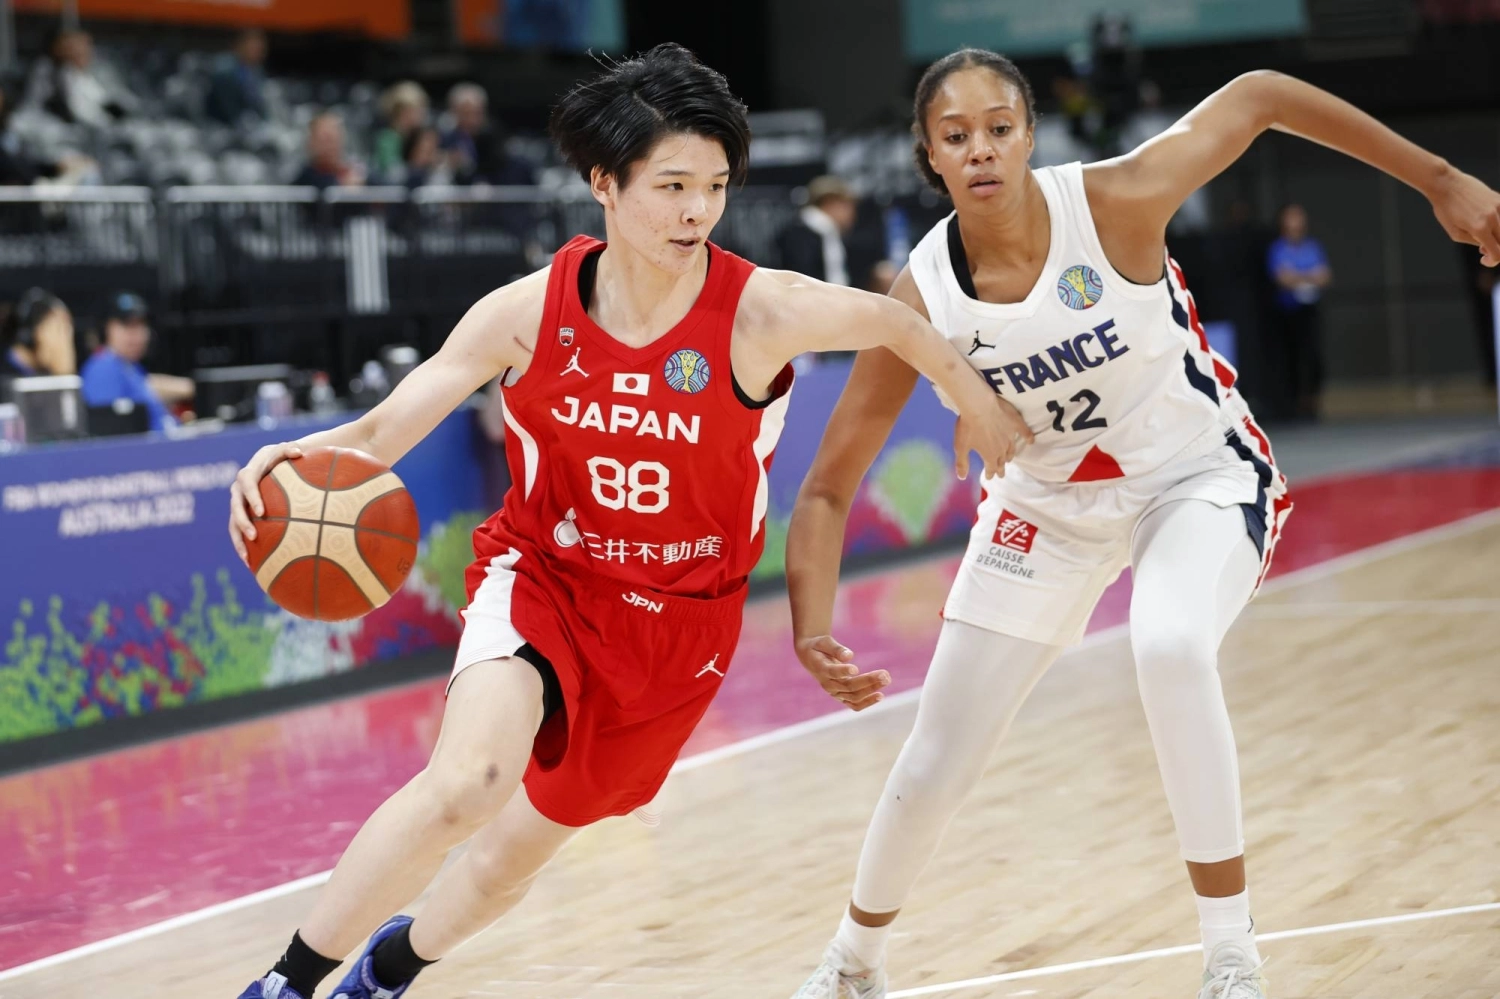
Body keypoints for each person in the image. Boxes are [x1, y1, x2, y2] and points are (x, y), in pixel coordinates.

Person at [228, 43, 1030, 999]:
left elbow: (901, 326)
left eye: (717, 186)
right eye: (673, 184)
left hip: (678, 627)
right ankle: (282, 984)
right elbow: (380, 430)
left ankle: (388, 970)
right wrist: (288, 460)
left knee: (511, 857)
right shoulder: (529, 312)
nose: (697, 211)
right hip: (546, 579)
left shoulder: (758, 310)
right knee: (468, 784)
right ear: (605, 183)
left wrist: (973, 402)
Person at [786, 49, 1500, 999]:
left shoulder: (1112, 201)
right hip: (1046, 504)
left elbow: (1261, 96)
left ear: (1030, 133)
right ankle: (852, 962)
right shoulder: (922, 299)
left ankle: (1229, 954)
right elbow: (828, 484)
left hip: (1193, 473)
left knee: (1167, 646)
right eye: (956, 136)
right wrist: (812, 625)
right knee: (942, 744)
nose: (982, 149)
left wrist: (1441, 179)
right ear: (929, 155)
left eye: (1000, 127)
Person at [79, 291, 192, 432]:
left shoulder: (130, 366)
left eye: (141, 325)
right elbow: (109, 434)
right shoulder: (102, 368)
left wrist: (193, 388)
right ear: (107, 329)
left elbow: (151, 384)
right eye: (128, 326)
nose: (137, 335)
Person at [1266, 204, 1331, 420]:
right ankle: (1293, 404)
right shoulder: (1278, 248)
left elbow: (1324, 276)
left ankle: (1312, 401)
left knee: (1313, 357)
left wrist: (1299, 277)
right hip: (1288, 312)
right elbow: (1282, 277)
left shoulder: (1313, 247)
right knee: (1291, 358)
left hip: (1309, 310)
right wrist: (1307, 277)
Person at [25, 28, 138, 128]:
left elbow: (121, 98)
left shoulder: (99, 70)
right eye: (76, 49)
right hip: (68, 127)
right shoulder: (56, 73)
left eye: (86, 48)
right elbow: (76, 110)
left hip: (107, 122)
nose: (84, 53)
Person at [441, 83, 534, 186]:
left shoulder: (494, 136)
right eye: (466, 113)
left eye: (477, 113)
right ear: (454, 112)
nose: (472, 121)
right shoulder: (443, 139)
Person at [776, 175, 859, 286]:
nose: (852, 214)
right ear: (829, 203)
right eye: (847, 206)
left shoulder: (830, 234)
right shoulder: (799, 236)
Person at [0, 288, 74, 386]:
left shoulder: (39, 375)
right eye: (59, 330)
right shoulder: (7, 383)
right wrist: (63, 377)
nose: (65, 342)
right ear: (33, 334)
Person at [205, 29, 268, 127]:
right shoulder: (225, 70)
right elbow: (229, 110)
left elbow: (258, 104)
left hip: (249, 124)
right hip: (220, 126)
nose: (258, 52)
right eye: (252, 47)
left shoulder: (256, 71)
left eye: (259, 48)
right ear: (240, 46)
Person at [371, 81, 430, 184]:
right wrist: (418, 164)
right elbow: (392, 174)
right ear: (404, 112)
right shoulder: (387, 138)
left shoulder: (416, 136)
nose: (422, 114)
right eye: (418, 110)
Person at [293, 112, 365, 190]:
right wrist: (341, 185)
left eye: (334, 138)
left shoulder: (356, 170)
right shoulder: (304, 179)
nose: (330, 146)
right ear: (311, 142)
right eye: (325, 139)